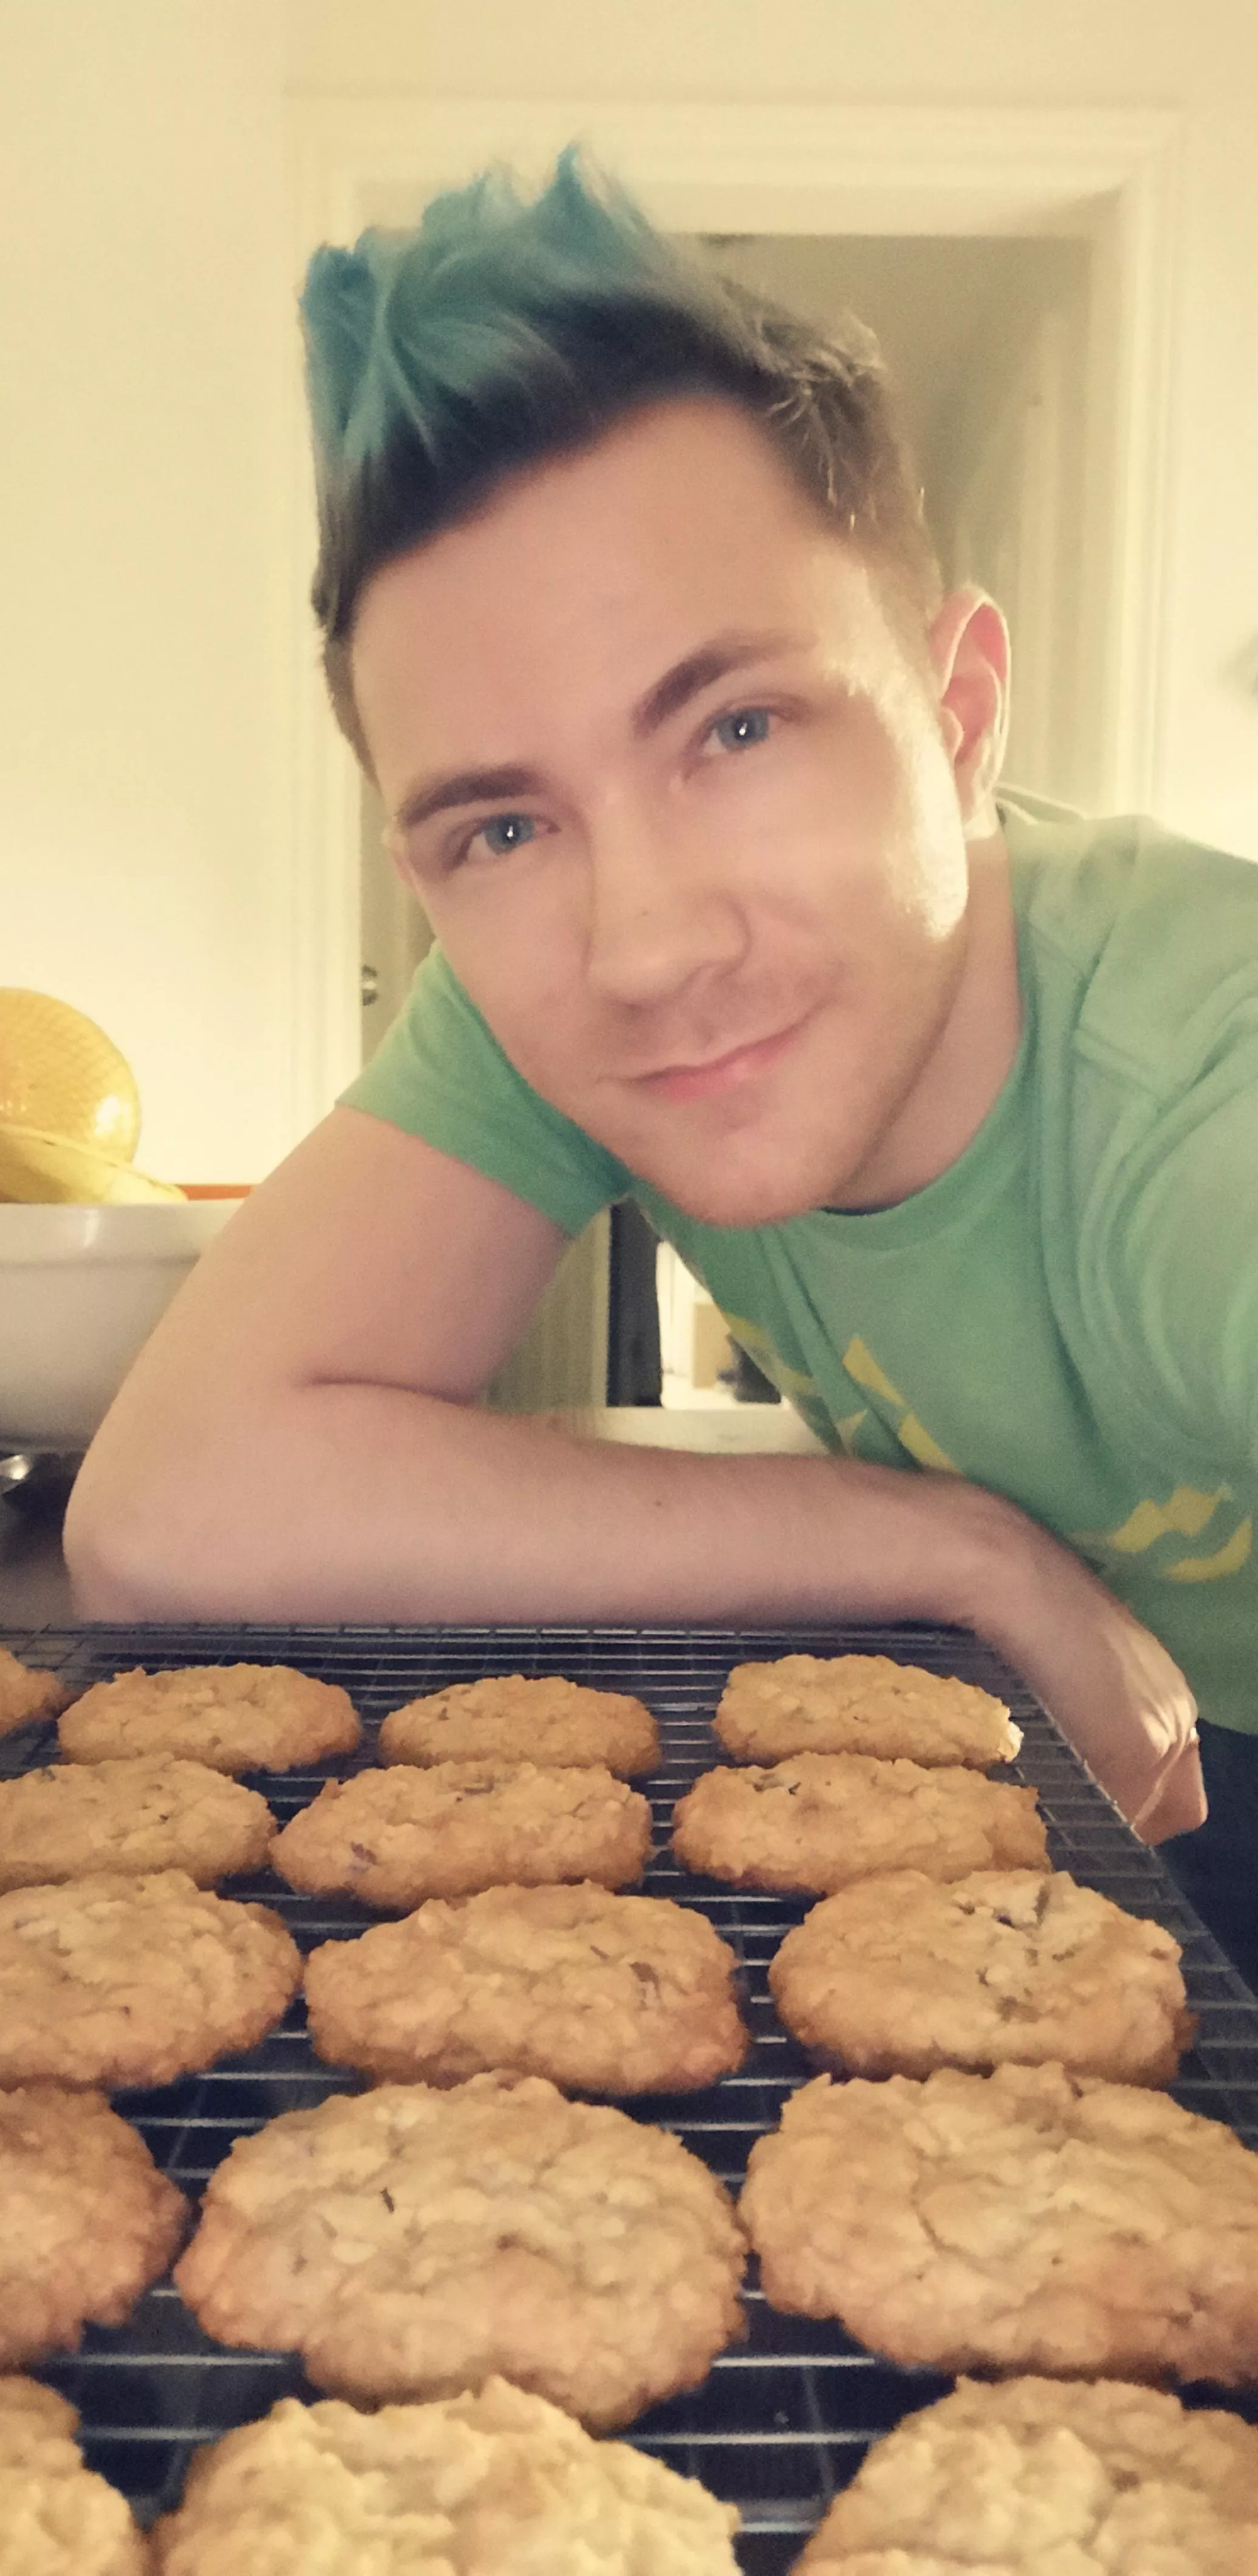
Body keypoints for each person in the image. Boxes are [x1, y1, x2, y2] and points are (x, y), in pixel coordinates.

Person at [69, 146, 1258, 1960]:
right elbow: (172, 1506)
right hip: (1063, 1729)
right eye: (503, 828)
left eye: (738, 726)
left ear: (954, 719)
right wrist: (946, 1546)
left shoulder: (1197, 1099)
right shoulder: (528, 996)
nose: (641, 947)